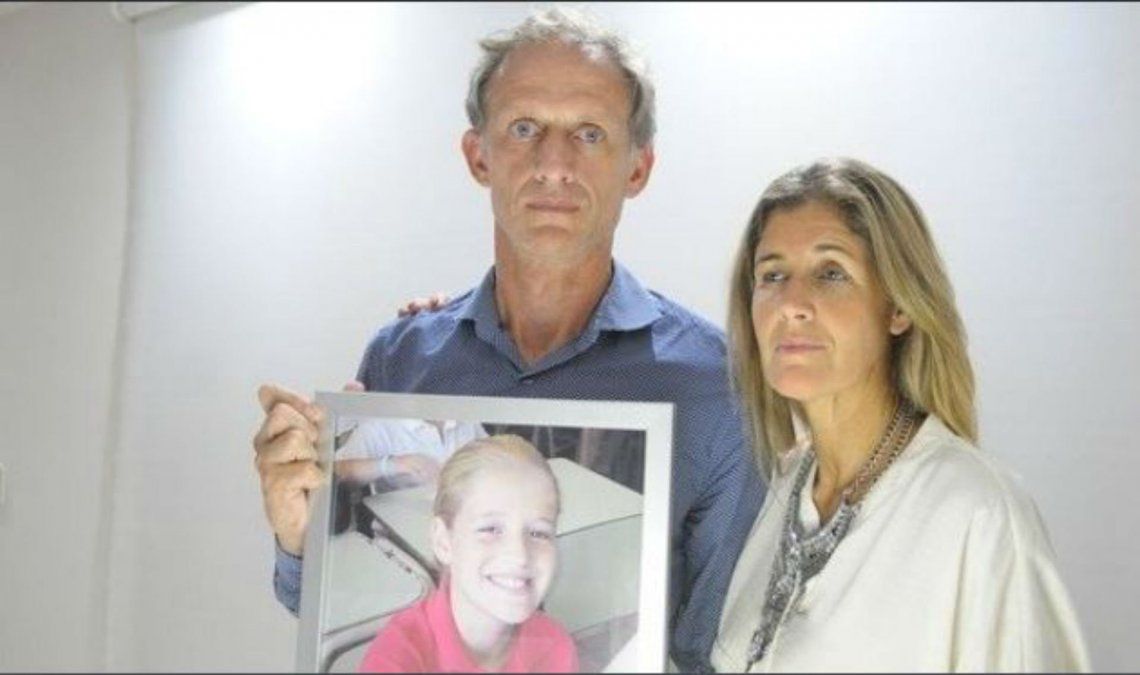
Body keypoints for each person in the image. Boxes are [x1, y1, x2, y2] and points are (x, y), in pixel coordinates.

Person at [251, 7, 764, 670]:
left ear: (637, 168)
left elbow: (718, 653)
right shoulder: (400, 357)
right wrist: (300, 537)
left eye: (589, 133)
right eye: (524, 128)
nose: (554, 164)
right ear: (478, 155)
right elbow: (325, 608)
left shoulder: (718, 387)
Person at [711, 157, 1091, 671]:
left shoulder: (978, 513)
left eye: (830, 273)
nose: (791, 304)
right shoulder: (781, 489)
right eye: (772, 275)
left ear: (898, 308)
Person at [358, 435, 577, 673]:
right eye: (490, 529)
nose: (520, 555)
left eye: (538, 533)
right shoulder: (395, 660)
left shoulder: (556, 646)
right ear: (443, 542)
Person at [334, 418, 487, 489]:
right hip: (400, 527)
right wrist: (393, 465)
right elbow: (336, 471)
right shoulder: (378, 425)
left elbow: (490, 454)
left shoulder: (467, 418)